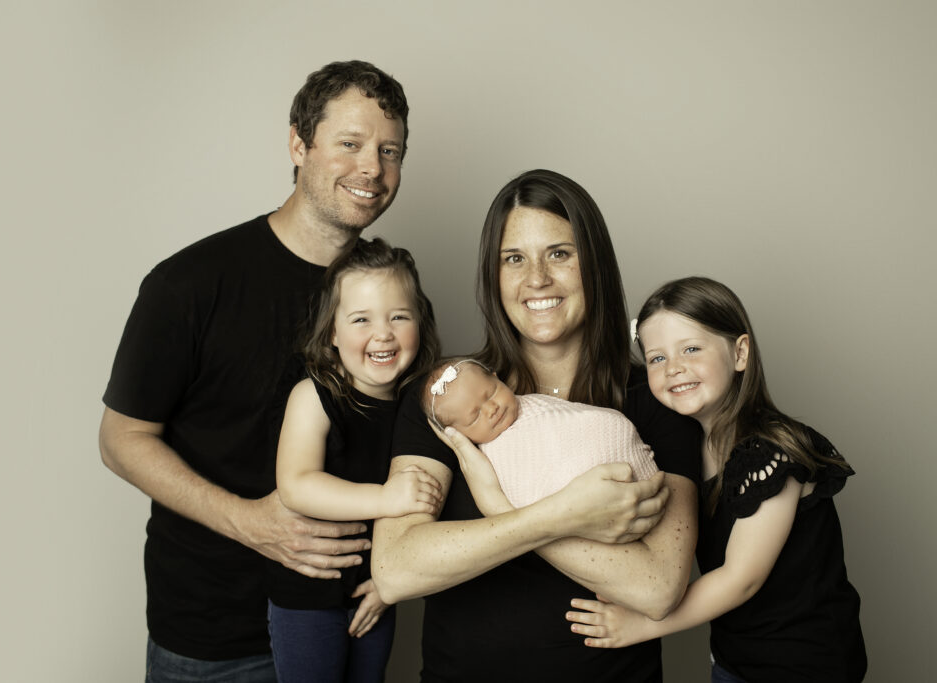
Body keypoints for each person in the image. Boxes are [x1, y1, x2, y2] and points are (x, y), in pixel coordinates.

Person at [98, 60, 410, 682]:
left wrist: (399, 568)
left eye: (390, 150)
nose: (372, 168)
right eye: (349, 144)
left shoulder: (389, 298)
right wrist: (250, 523)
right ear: (299, 143)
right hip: (216, 638)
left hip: (350, 622)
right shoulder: (189, 283)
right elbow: (121, 440)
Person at [372, 169, 703, 682]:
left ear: (593, 263)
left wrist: (500, 510)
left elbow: (658, 588)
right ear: (493, 275)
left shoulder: (658, 398)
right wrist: (559, 516)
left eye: (560, 253)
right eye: (514, 259)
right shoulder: (448, 398)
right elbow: (395, 568)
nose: (537, 279)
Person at [566, 276, 867, 683]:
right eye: (656, 358)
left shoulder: (770, 448)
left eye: (691, 349)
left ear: (740, 353)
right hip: (737, 659)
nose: (674, 368)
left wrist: (641, 624)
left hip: (805, 664)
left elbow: (742, 579)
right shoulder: (686, 450)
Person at [268, 238, 442, 683]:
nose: (382, 334)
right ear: (332, 332)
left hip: (378, 588)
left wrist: (391, 585)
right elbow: (297, 484)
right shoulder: (313, 396)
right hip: (309, 593)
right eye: (361, 319)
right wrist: (386, 498)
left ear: (419, 322)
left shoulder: (421, 405)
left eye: (398, 317)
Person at [423, 357, 659, 508]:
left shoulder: (533, 405)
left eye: (492, 393)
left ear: (497, 378)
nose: (492, 409)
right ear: (456, 434)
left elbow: (580, 419)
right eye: (475, 416)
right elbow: (525, 503)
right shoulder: (489, 460)